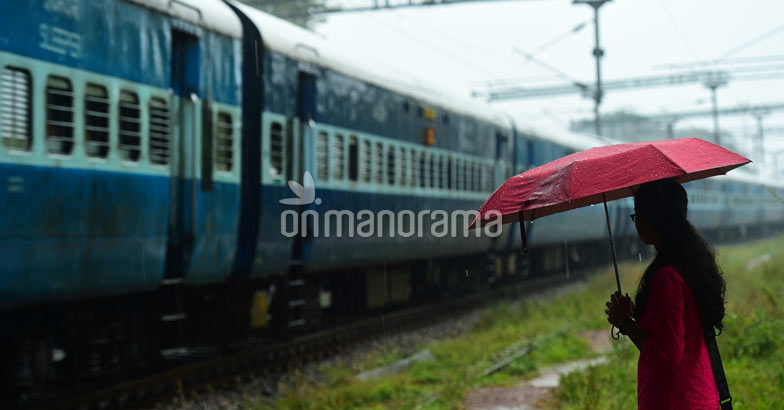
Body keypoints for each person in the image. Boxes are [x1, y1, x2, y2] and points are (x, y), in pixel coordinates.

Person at [605, 179, 726, 410]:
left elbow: (666, 357)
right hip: (695, 394)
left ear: (649, 221)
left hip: (676, 400)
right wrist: (635, 317)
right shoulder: (689, 264)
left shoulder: (666, 278)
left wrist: (626, 324)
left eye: (637, 216)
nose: (636, 222)